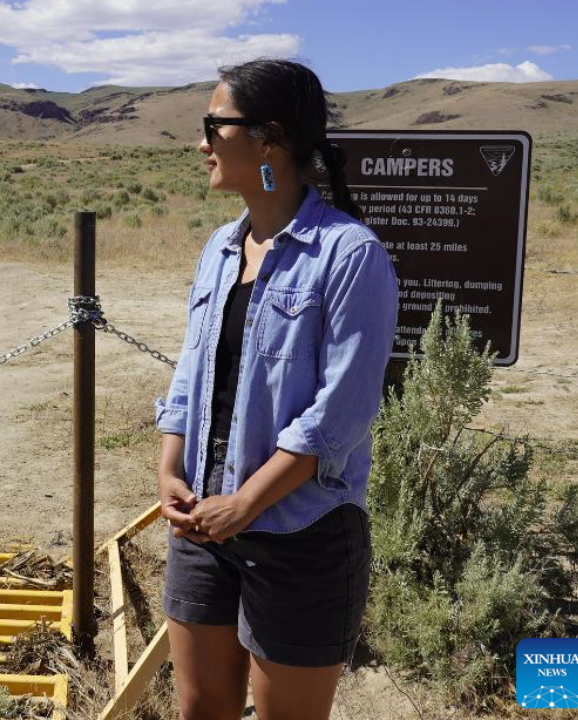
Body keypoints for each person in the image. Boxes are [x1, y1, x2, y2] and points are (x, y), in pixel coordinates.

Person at [153, 58, 399, 720]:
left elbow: (340, 413)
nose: (201, 142)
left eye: (214, 125)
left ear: (268, 139)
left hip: (301, 534)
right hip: (204, 524)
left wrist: (248, 503)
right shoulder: (219, 249)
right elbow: (192, 368)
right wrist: (170, 464)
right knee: (201, 710)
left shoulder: (349, 256)